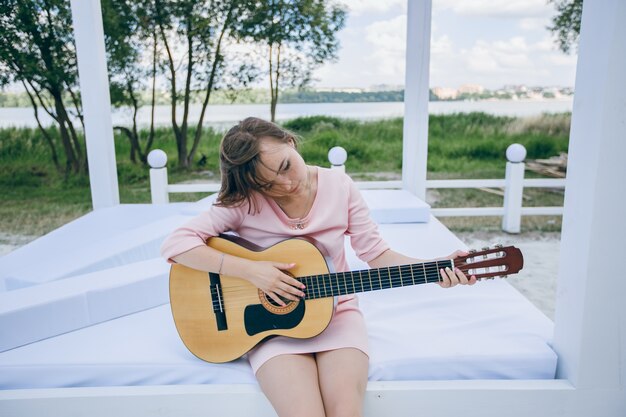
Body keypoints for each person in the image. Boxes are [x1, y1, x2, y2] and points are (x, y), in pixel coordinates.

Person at [160, 117, 476, 417]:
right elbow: (176, 245)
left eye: (286, 166)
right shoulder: (246, 201)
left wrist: (436, 269)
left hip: (338, 315)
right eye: (268, 184)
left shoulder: (339, 187)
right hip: (272, 333)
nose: (285, 184)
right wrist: (252, 271)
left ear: (290, 141)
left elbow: (377, 254)